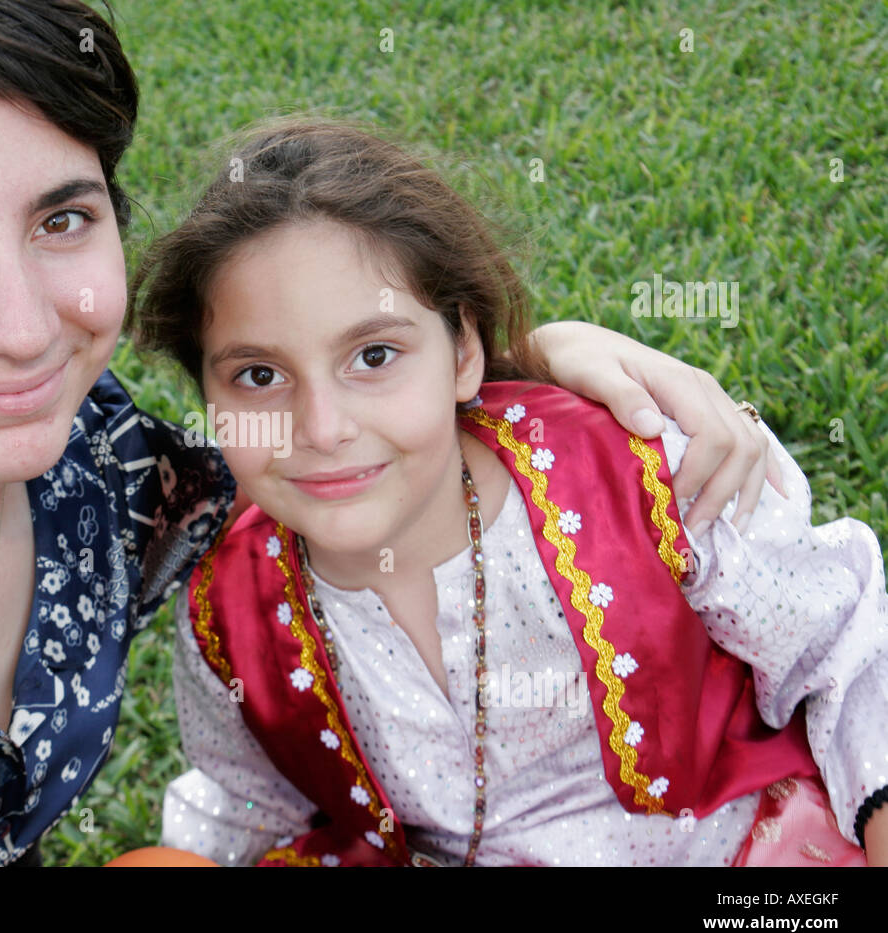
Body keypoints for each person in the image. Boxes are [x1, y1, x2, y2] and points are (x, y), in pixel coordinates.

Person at [0, 0, 779, 867]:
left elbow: (332, 439)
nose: (20, 328)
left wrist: (531, 358)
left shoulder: (115, 478)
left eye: (62, 218)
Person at [133, 120, 888, 867]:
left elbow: (844, 647)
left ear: (463, 352)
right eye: (258, 376)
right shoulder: (225, 607)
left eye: (374, 354)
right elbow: (248, 796)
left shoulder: (641, 471)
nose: (323, 428)